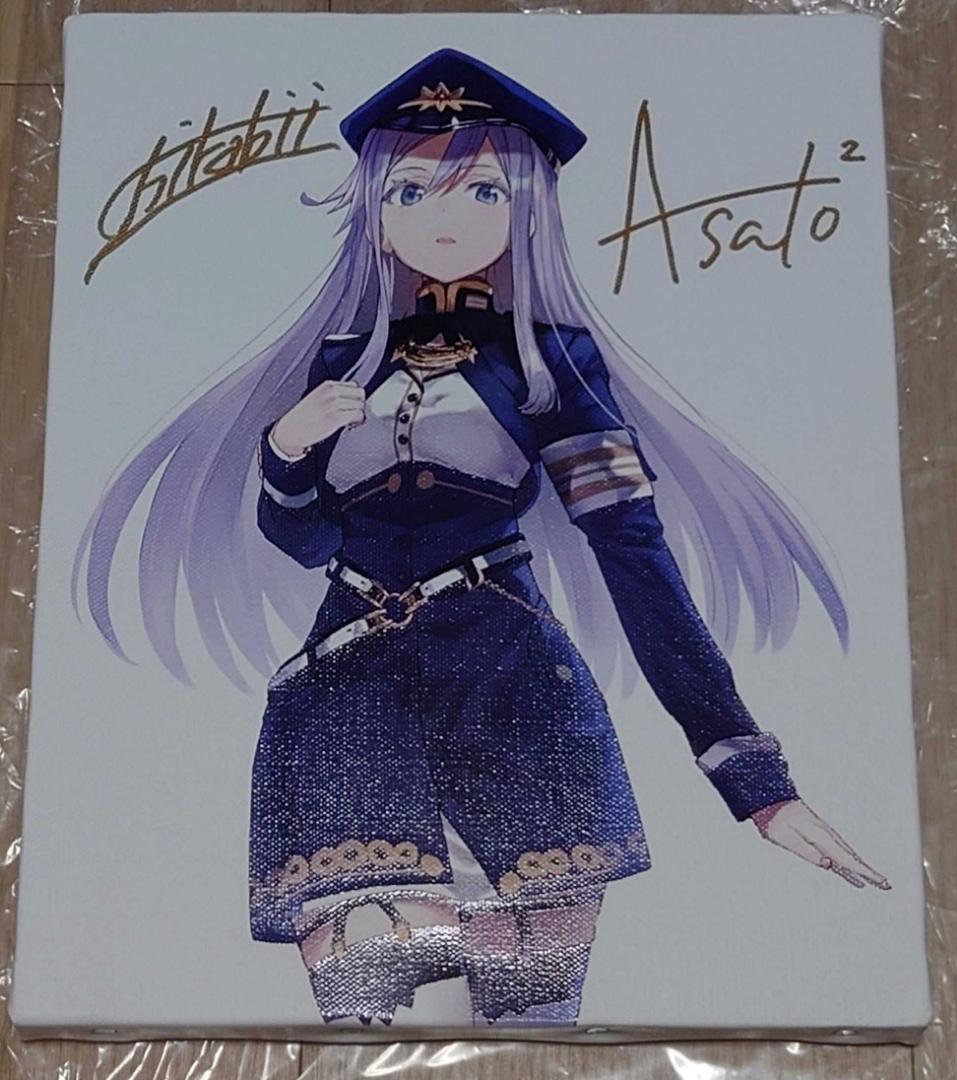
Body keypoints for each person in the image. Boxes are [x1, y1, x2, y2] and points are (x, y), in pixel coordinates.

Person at [76, 48, 888, 1028]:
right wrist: (285, 452)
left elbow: (632, 554)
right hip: (348, 703)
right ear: (375, 210)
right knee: (368, 1018)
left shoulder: (550, 364)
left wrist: (752, 780)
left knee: (526, 1025)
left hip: (514, 702)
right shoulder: (342, 356)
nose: (443, 217)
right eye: (409, 190)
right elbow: (301, 541)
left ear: (527, 209)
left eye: (483, 190)